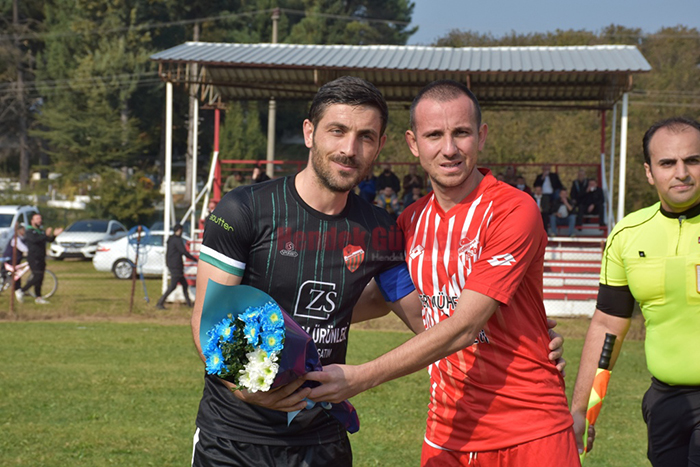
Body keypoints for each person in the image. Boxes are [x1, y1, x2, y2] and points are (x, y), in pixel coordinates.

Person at [304, 80, 578, 466]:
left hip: (529, 430)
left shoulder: (513, 210)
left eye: (461, 133)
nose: (449, 149)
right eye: (434, 135)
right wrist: (290, 317)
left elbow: (465, 326)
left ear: (481, 136)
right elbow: (381, 298)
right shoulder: (408, 221)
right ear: (413, 144)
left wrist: (361, 376)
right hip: (446, 433)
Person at [189, 76, 424, 467]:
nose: (349, 149)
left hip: (322, 440)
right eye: (337, 131)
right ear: (309, 132)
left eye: (366, 137)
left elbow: (426, 321)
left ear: (380, 145)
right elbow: (205, 321)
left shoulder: (381, 231)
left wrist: (518, 330)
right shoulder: (244, 210)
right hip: (233, 438)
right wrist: (249, 389)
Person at [571, 117, 700, 466]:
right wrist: (582, 410)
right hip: (665, 403)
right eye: (668, 163)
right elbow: (607, 327)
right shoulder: (627, 235)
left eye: (693, 160)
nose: (682, 173)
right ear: (649, 172)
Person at [16, 213, 62, 305]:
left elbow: (48, 240)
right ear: (32, 221)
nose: (39, 220)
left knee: (40, 279)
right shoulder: (29, 231)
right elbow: (35, 240)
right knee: (37, 276)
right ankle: (21, 290)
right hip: (34, 257)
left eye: (40, 218)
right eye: (37, 219)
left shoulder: (40, 231)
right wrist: (45, 235)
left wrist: (54, 235)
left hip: (41, 257)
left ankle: (38, 297)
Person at [155, 224, 197, 310]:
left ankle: (189, 304)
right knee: (173, 286)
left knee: (184, 285)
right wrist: (194, 259)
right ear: (179, 230)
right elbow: (183, 251)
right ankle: (160, 302)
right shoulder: (177, 240)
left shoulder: (171, 239)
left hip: (173, 264)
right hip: (176, 265)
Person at [2, 223, 28, 292]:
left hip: (16, 259)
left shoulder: (22, 238)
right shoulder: (15, 239)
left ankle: (18, 289)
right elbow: (23, 248)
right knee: (15, 274)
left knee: (17, 274)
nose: (25, 231)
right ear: (19, 230)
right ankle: (17, 289)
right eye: (23, 229)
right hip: (10, 259)